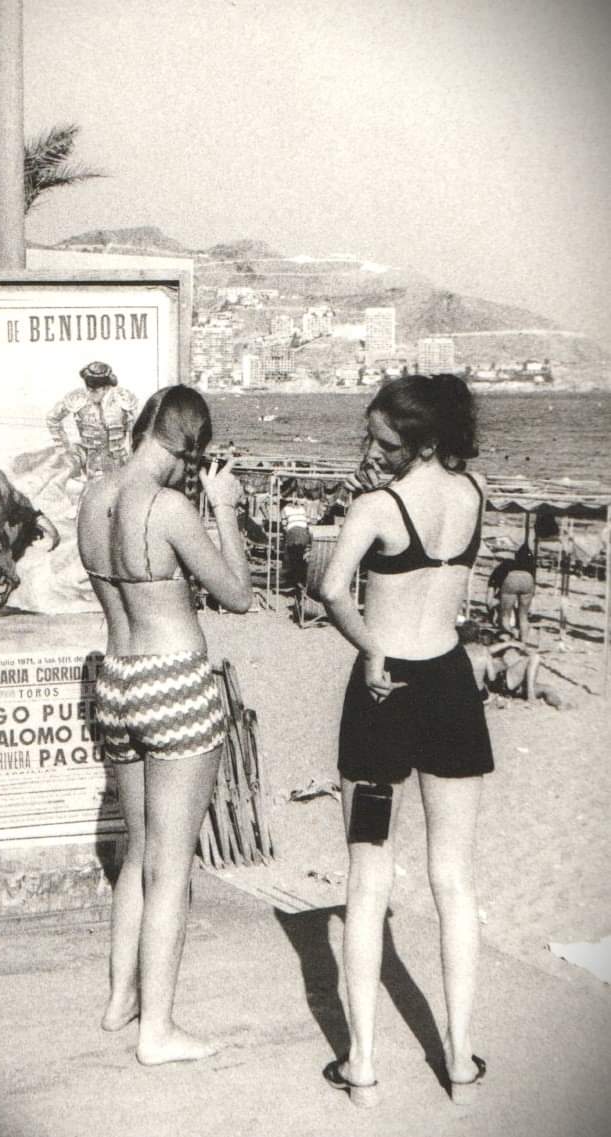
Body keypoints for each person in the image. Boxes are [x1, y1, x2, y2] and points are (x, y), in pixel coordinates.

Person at [319, 374, 492, 1106]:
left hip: (383, 696)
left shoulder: (374, 507)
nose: (369, 448)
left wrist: (369, 648)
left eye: (382, 440)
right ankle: (457, 1056)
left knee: (368, 881)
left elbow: (329, 588)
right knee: (452, 878)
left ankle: (362, 1064)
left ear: (419, 440)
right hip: (450, 690)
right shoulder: (472, 493)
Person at [76, 385, 252, 1066]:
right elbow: (238, 594)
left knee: (137, 851)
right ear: (187, 445)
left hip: (115, 679)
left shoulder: (94, 495)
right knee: (173, 865)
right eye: (195, 458)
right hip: (173, 678)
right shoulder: (171, 507)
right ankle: (159, 1030)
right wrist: (228, 511)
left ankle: (121, 999)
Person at [47, 360, 140, 480]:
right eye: (88, 389)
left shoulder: (124, 398)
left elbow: (137, 428)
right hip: (91, 462)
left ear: (106, 388)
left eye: (95, 391)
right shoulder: (79, 397)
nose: (90, 394)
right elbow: (52, 418)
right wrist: (63, 448)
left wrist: (133, 456)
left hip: (119, 461)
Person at [487, 542, 536, 643]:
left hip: (512, 579)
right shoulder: (531, 567)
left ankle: (507, 641)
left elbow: (491, 584)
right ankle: (524, 642)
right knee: (523, 616)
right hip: (528, 579)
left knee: (505, 615)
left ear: (516, 556)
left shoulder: (506, 565)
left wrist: (489, 603)